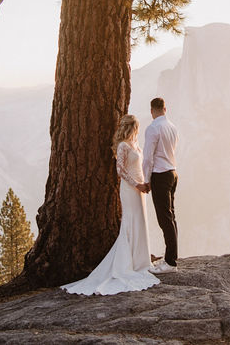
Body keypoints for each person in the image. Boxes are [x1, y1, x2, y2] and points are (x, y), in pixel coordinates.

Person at [62, 114, 159, 295]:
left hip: (140, 188)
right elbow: (120, 170)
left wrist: (145, 183)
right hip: (130, 189)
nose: (137, 130)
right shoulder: (123, 146)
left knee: (140, 221)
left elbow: (141, 166)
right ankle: (126, 263)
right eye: (135, 127)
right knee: (130, 221)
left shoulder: (135, 145)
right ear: (131, 128)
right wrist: (137, 184)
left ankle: (141, 261)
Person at [142, 96, 180, 272]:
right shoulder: (172, 127)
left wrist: (146, 180)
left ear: (152, 111)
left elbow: (148, 158)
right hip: (173, 173)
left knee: (164, 219)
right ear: (165, 109)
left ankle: (170, 262)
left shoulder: (153, 128)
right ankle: (171, 257)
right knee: (171, 217)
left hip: (160, 175)